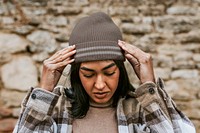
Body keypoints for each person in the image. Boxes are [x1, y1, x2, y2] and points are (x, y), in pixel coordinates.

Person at [13, 12, 196, 133]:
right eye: (88, 74)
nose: (100, 85)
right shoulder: (57, 108)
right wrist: (45, 91)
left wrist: (149, 87)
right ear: (77, 74)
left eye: (109, 73)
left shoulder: (140, 109)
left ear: (121, 70)